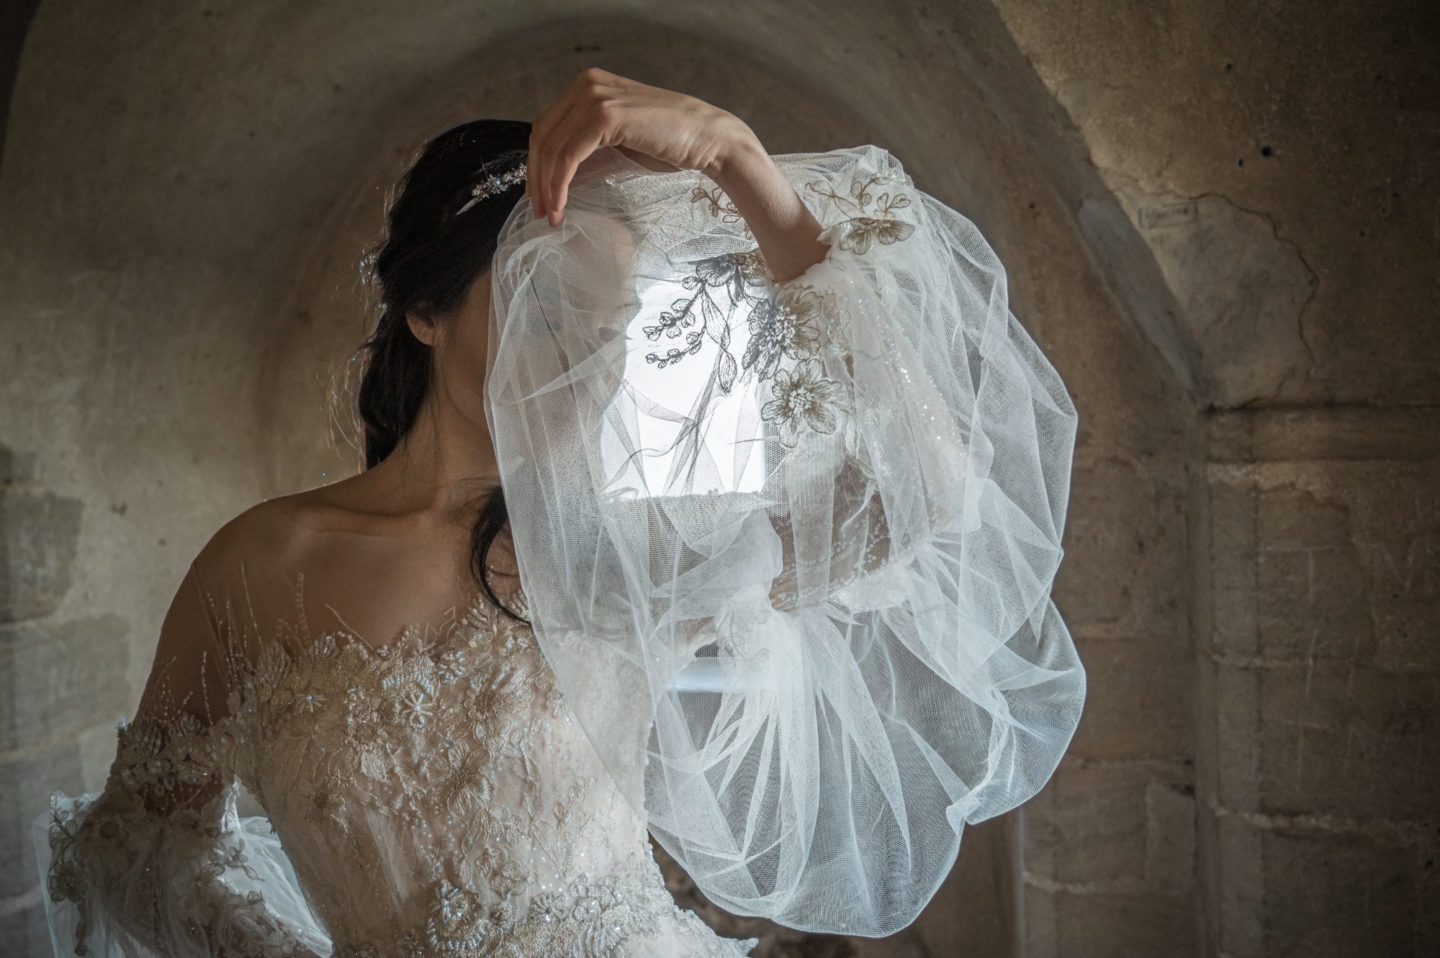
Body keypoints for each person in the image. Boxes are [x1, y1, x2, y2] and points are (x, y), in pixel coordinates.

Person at [40, 67, 1085, 956]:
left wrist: (737, 159)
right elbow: (139, 848)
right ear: (422, 312)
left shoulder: (628, 546)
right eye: (550, 304)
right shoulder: (258, 567)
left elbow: (926, 487)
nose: (592, 355)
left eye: (615, 321)